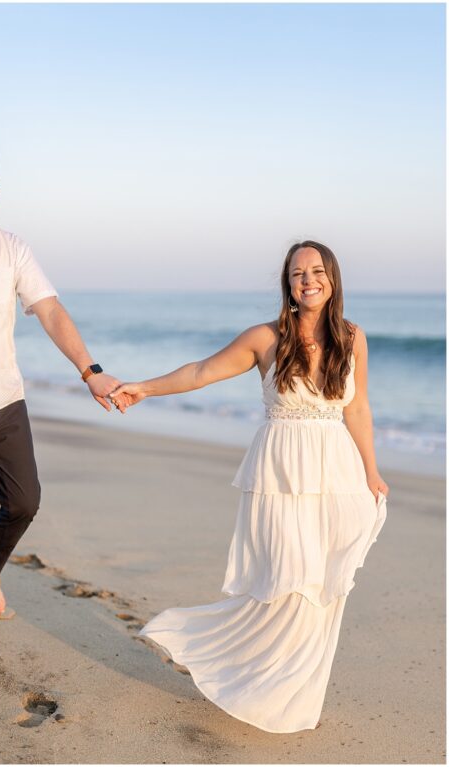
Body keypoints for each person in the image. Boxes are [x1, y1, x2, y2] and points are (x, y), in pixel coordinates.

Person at [111, 240, 388, 733]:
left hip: (338, 475)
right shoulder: (266, 337)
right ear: (288, 283)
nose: (308, 280)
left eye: (317, 271)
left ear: (333, 278)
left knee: (321, 587)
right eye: (298, 273)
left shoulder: (352, 337)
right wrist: (144, 387)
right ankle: (229, 661)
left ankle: (291, 694)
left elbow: (358, 409)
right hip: (278, 474)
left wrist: (371, 472)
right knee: (285, 579)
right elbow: (201, 371)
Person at [0, 138, 124, 660]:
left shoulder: (11, 247)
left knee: (24, 501)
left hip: (3, 399)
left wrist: (91, 371)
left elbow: (50, 310)